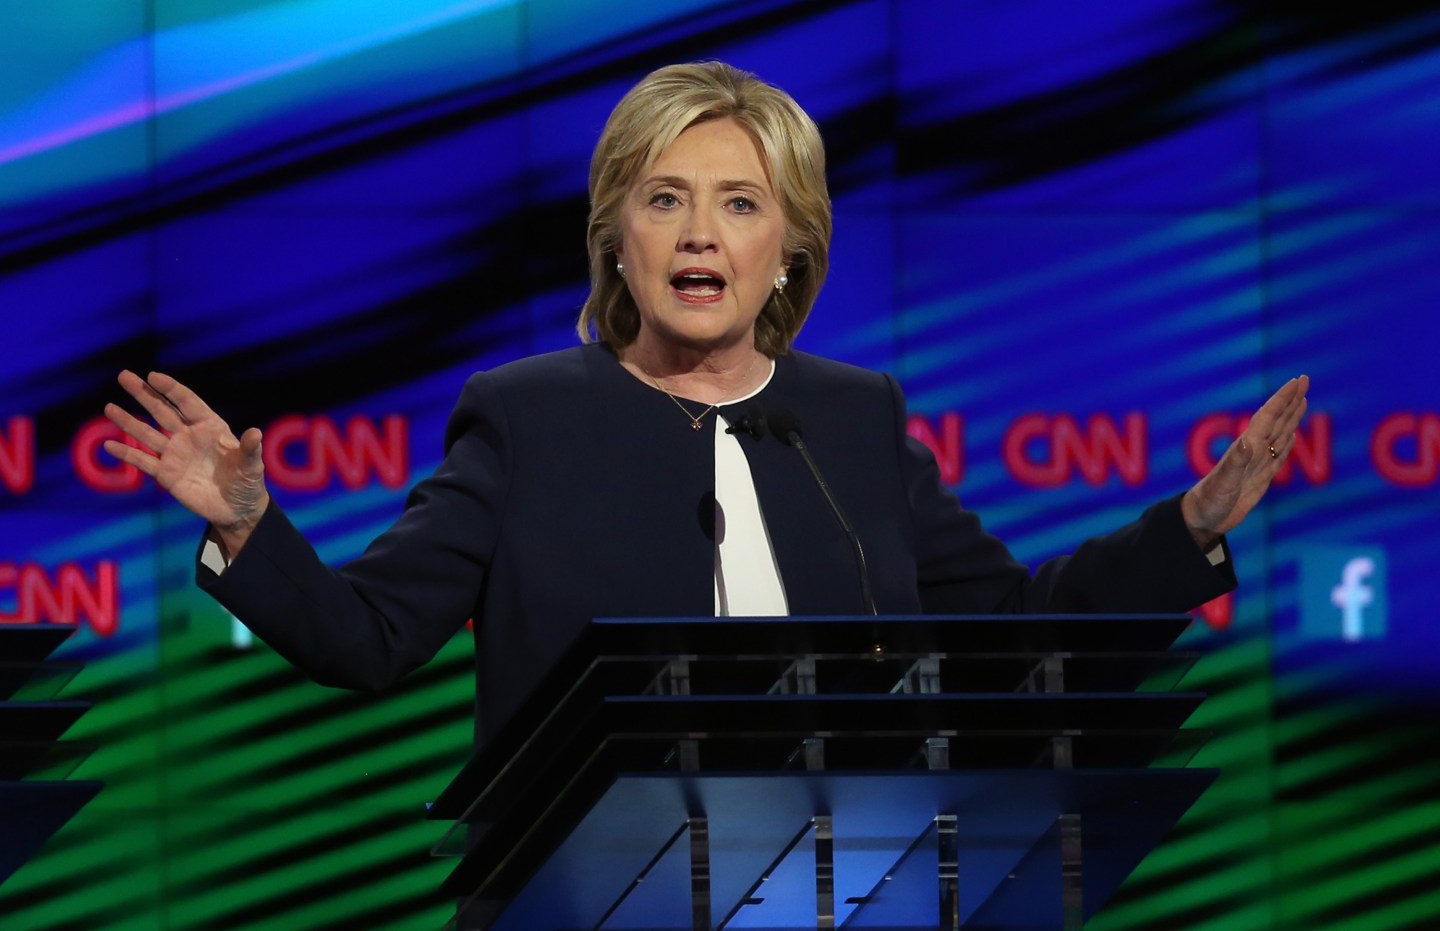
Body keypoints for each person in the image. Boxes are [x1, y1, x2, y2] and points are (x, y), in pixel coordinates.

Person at [103, 62, 1309, 746]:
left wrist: (1188, 530)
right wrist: (249, 526)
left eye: (739, 203)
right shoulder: (526, 418)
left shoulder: (853, 419)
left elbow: (1007, 628)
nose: (698, 234)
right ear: (616, 237)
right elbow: (367, 638)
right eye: (664, 198)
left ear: (788, 249)